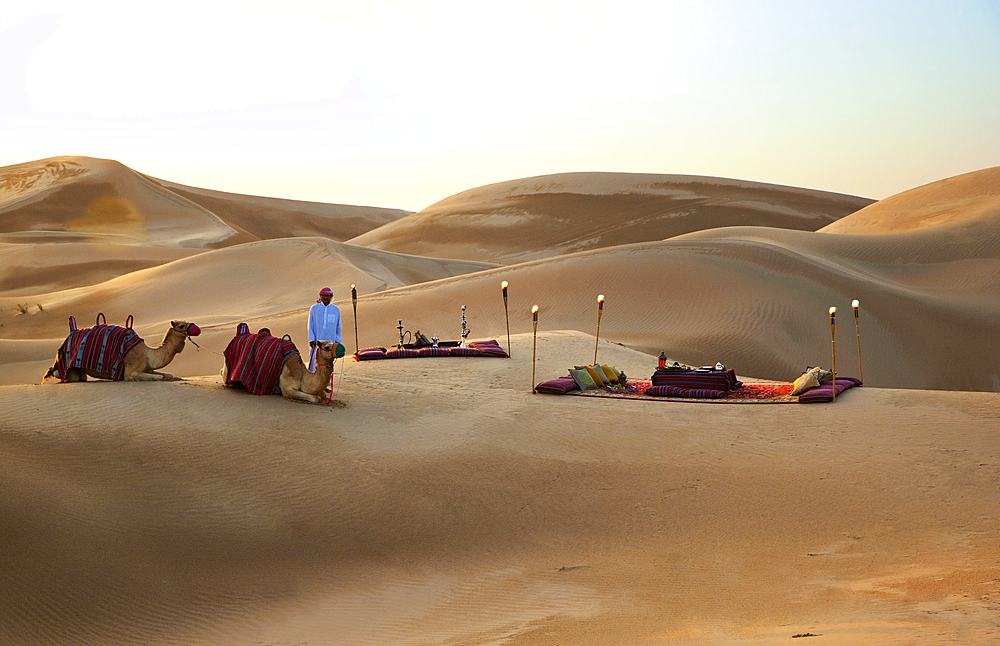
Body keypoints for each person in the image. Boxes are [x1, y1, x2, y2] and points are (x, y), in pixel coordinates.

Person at [307, 287, 342, 371]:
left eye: (327, 295)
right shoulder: (314, 309)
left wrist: (337, 341)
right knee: (315, 363)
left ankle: (327, 381)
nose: (325, 297)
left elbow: (338, 326)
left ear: (331, 297)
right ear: (320, 296)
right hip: (317, 342)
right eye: (323, 295)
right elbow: (310, 325)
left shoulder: (335, 310)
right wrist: (311, 339)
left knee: (328, 364)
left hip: (330, 343)